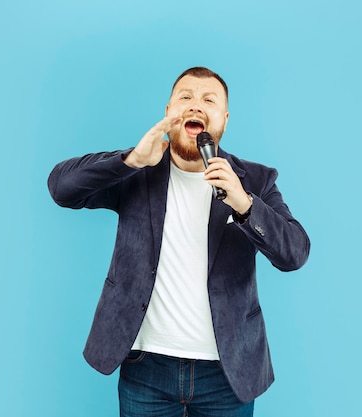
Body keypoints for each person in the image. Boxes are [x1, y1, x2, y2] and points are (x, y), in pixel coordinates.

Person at [47, 67, 310, 417]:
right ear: (169, 110)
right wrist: (131, 161)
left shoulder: (254, 181)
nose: (195, 105)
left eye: (209, 100)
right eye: (185, 97)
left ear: (225, 119)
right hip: (147, 368)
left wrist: (245, 204)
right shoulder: (138, 169)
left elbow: (294, 253)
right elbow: (61, 188)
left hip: (228, 372)